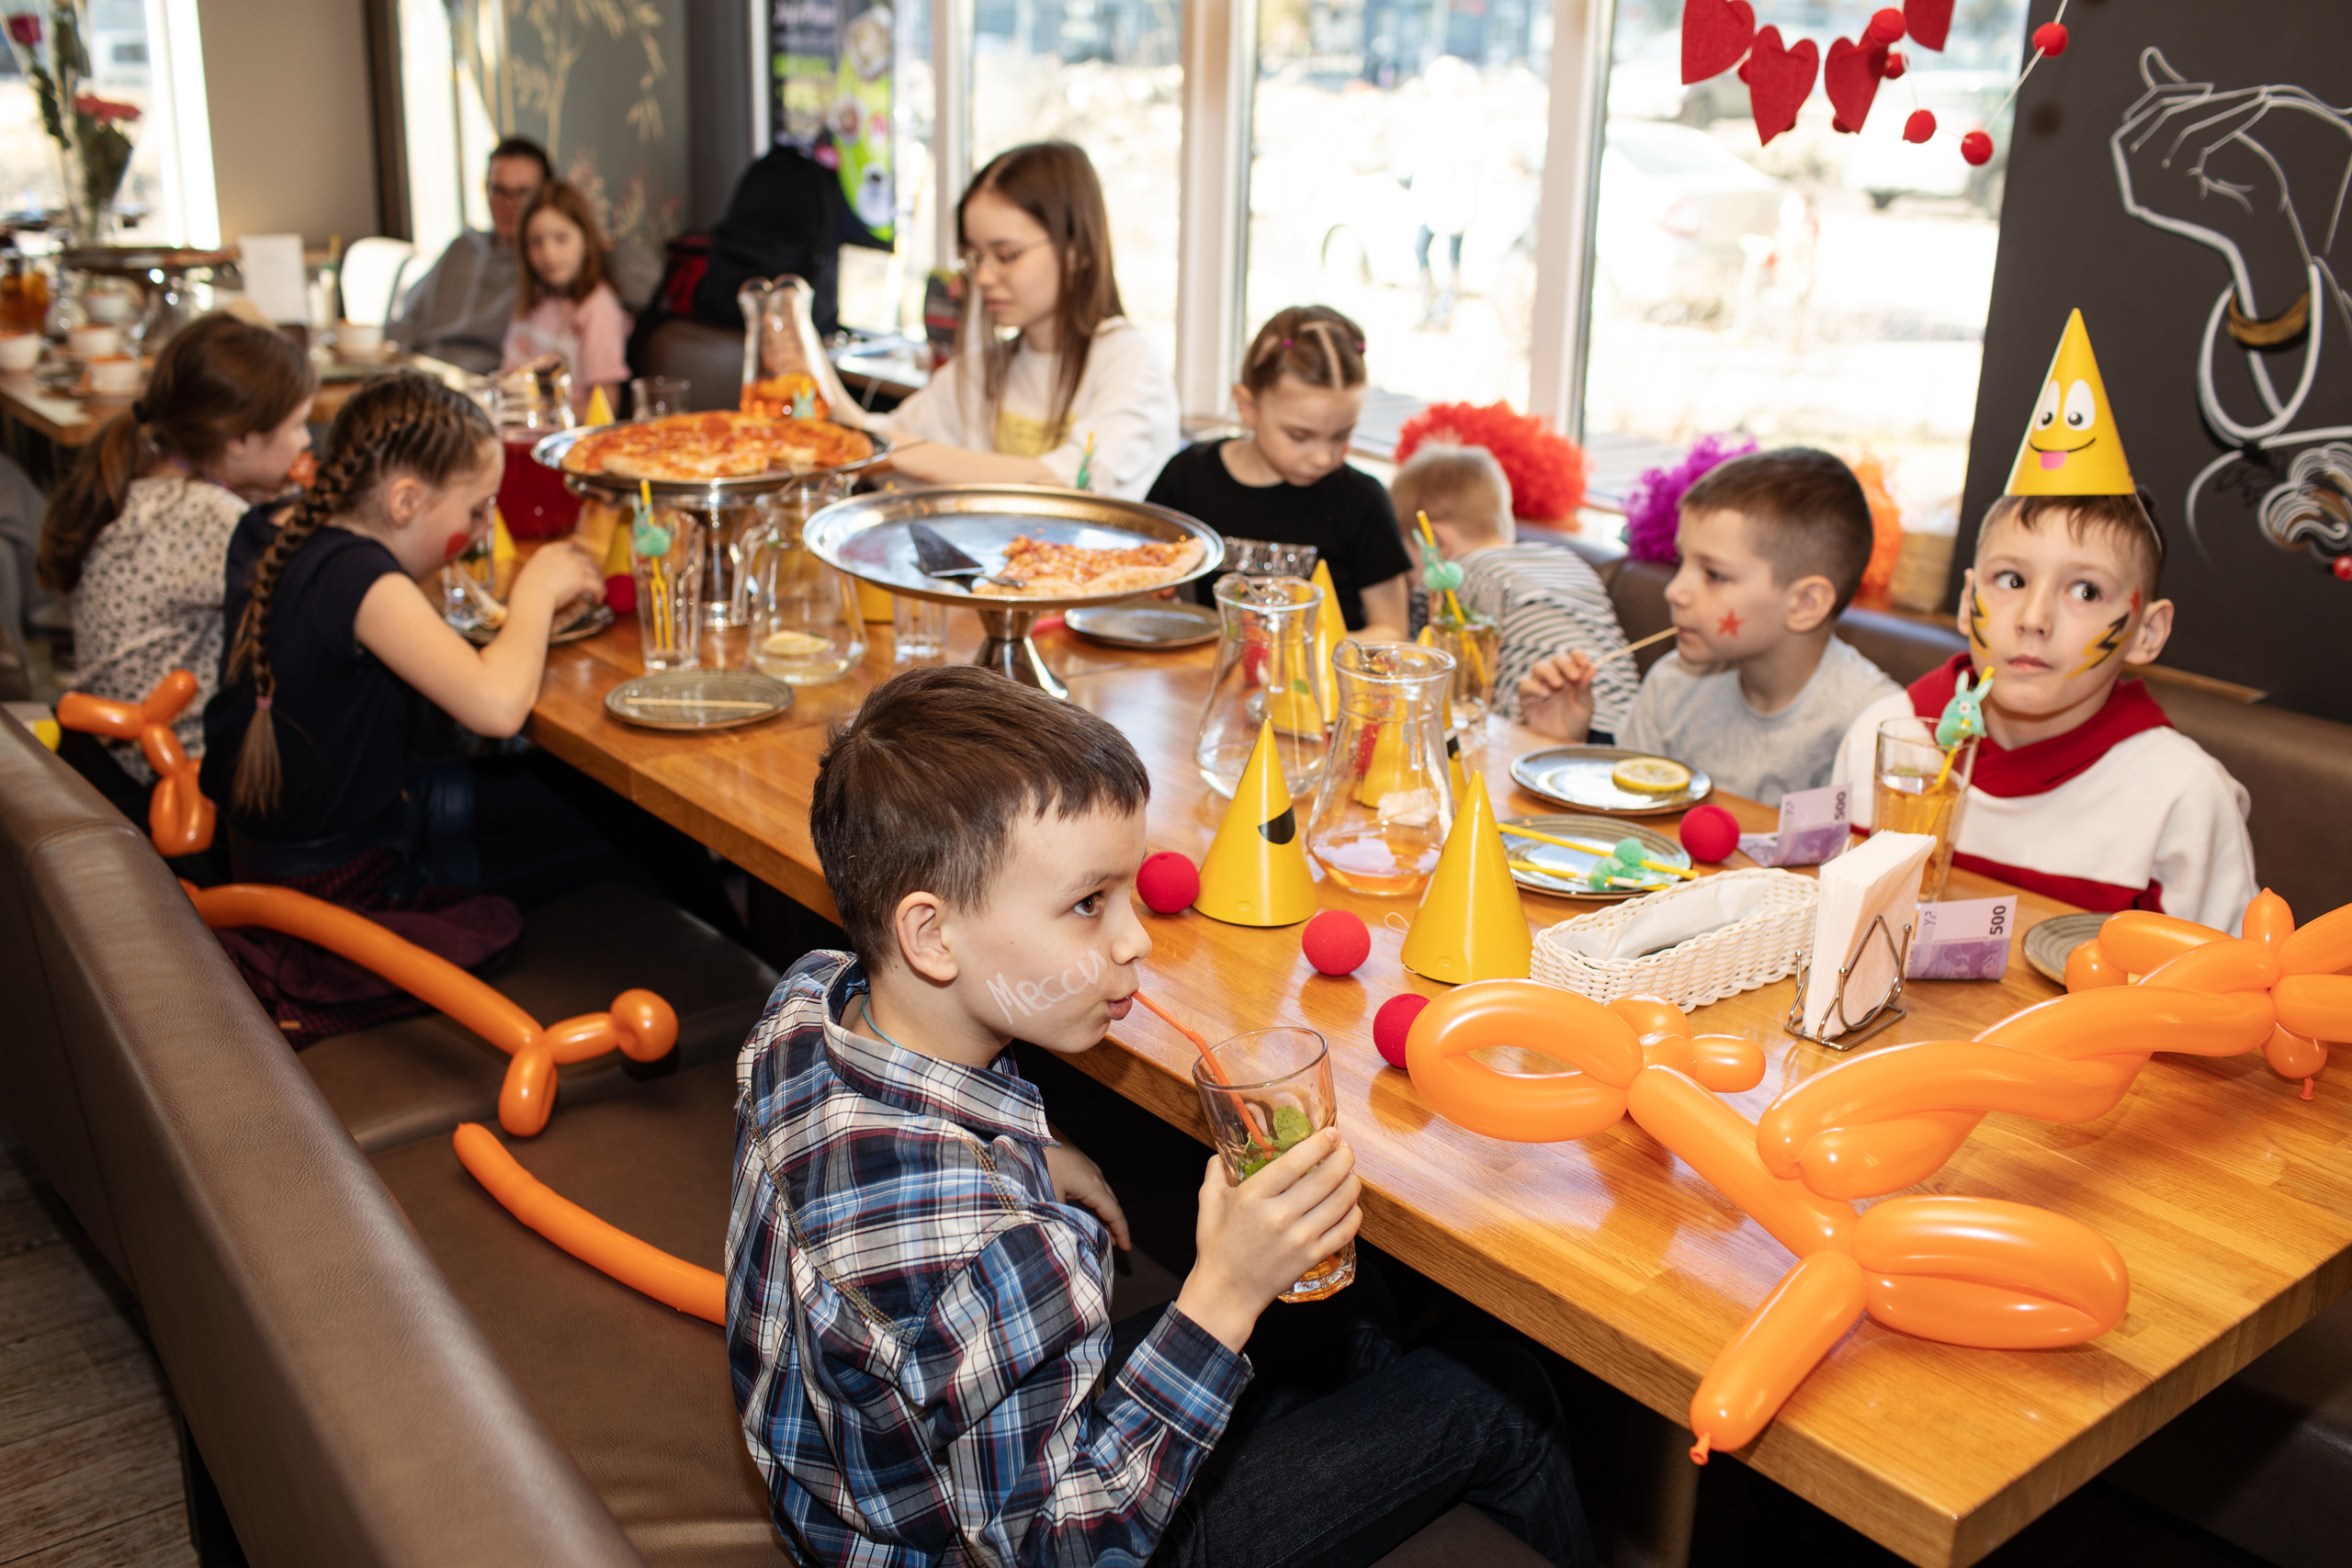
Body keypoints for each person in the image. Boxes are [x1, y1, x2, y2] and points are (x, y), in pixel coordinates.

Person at [729, 665, 1597, 1568]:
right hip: (1049, 1543)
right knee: (1501, 1395)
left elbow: (899, 1181)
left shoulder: (809, 999)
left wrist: (1027, 1148)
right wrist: (1220, 1290)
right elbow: (1063, 1552)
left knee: (1356, 1306)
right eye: (1088, 904)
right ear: (932, 935)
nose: (1135, 937)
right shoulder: (1013, 1256)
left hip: (846, 1498)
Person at [198, 373, 606, 1042]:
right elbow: (499, 707)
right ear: (404, 500)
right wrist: (537, 590)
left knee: (576, 799)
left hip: (307, 845)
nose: (479, 531)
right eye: (475, 511)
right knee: (625, 842)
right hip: (348, 890)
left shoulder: (272, 527)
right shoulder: (359, 577)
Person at [1833, 490, 2255, 930]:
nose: (2034, 618)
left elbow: (2224, 981)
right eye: (2012, 580)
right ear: (1968, 601)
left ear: (2147, 631)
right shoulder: (1880, 740)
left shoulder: (2184, 797)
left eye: (2086, 591)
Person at [1520, 447, 1899, 806]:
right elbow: (1624, 840)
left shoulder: (1874, 729)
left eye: (1714, 575)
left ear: (1805, 604)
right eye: (1680, 562)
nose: (1675, 591)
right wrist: (1560, 745)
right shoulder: (1672, 684)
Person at [41, 314, 314, 792]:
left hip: (109, 762)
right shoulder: (208, 517)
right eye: (297, 425)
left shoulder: (146, 484)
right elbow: (322, 590)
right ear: (238, 440)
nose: (306, 442)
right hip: (171, 776)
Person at [884, 142, 1178, 501]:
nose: (984, 277)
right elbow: (877, 436)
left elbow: (1071, 482)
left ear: (1077, 251)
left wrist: (901, 452)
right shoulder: (982, 368)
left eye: (1007, 255)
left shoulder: (1128, 361)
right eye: (975, 256)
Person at [1148, 306, 1411, 637]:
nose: (1322, 457)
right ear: (1247, 406)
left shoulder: (1363, 501)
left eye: (1341, 435)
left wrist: (1298, 657)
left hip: (1317, 686)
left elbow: (1391, 629)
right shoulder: (1187, 477)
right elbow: (1144, 579)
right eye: (1300, 436)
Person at [1392, 443, 1634, 736]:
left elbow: (1412, 667)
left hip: (1542, 723)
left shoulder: (1452, 585)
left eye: (1402, 553)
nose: (1403, 572)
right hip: (1627, 726)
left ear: (1436, 542)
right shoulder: (1566, 560)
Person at [388, 137, 658, 374]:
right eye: (499, 190)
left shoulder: (545, 266)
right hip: (422, 372)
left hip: (486, 387)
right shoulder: (463, 247)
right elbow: (407, 320)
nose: (510, 204)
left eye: (523, 193)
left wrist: (591, 239)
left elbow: (647, 284)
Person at [503, 180, 631, 397]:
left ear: (587, 241)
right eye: (536, 242)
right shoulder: (534, 300)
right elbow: (508, 375)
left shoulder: (597, 307)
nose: (549, 254)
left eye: (561, 239)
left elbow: (607, 405)